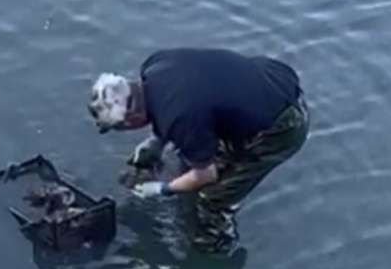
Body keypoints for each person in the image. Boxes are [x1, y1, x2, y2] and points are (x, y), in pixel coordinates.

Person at [88, 47, 310, 253]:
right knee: (192, 156)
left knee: (211, 197)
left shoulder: (180, 119)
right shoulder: (154, 65)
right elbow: (178, 102)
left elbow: (206, 173)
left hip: (282, 126)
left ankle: (217, 249)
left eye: (118, 127)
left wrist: (163, 189)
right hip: (271, 79)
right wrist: (156, 142)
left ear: (132, 120)